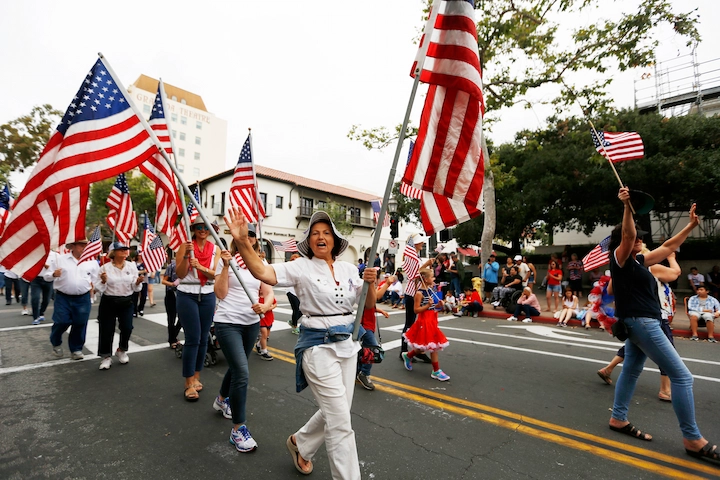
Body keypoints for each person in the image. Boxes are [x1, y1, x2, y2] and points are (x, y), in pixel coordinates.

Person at [226, 207, 377, 478]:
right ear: (309, 241)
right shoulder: (300, 266)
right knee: (341, 422)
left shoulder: (349, 268)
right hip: (317, 346)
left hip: (348, 346)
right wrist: (241, 242)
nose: (321, 237)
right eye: (315, 233)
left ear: (335, 239)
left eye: (326, 232)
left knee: (338, 411)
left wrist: (372, 284)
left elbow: (368, 303)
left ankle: (301, 443)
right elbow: (263, 271)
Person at [607, 186, 719, 466]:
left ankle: (618, 419)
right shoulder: (620, 260)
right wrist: (626, 206)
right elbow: (629, 234)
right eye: (637, 241)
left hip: (640, 323)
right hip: (643, 322)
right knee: (682, 377)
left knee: (631, 371)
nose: (640, 243)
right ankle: (693, 439)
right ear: (623, 241)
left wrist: (690, 225)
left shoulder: (640, 261)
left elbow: (668, 247)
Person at [213, 227, 275, 453]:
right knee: (241, 371)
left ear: (255, 240)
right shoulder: (225, 259)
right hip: (227, 321)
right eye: (243, 234)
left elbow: (269, 293)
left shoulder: (261, 264)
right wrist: (226, 266)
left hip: (251, 324)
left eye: (250, 234)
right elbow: (219, 293)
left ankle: (221, 399)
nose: (247, 237)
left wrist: (265, 305)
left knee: (236, 366)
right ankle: (238, 429)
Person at [597, 250, 681, 402]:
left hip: (635, 317)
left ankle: (608, 370)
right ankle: (665, 389)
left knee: (635, 350)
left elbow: (610, 290)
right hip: (653, 316)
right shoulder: (649, 268)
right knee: (670, 357)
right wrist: (671, 257)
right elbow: (675, 273)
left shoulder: (624, 269)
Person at [176, 217, 221, 402]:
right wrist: (187, 255)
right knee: (192, 338)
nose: (203, 230)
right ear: (193, 229)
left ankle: (196, 376)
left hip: (208, 294)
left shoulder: (215, 249)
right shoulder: (184, 246)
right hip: (187, 294)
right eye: (199, 227)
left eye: (206, 227)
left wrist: (200, 266)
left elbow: (215, 274)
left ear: (211, 230)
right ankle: (188, 382)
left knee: (204, 339)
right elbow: (179, 273)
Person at [44, 238, 99, 360]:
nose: (84, 247)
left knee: (80, 323)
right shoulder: (60, 260)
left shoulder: (92, 262)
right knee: (62, 321)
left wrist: (96, 288)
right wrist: (53, 275)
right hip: (63, 297)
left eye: (86, 245)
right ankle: (56, 341)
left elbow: (96, 279)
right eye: (81, 245)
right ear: (72, 247)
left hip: (83, 297)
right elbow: (46, 276)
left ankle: (76, 349)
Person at [96, 243, 143, 370]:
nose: (125, 252)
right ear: (113, 252)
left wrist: (138, 282)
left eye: (125, 249)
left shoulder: (131, 266)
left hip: (126, 300)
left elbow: (134, 286)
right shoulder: (105, 268)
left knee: (127, 327)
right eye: (121, 250)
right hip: (109, 300)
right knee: (106, 329)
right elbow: (98, 288)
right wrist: (103, 281)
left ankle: (122, 349)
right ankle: (106, 356)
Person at [402, 268, 450, 381]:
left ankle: (408, 355)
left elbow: (433, 307)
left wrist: (439, 305)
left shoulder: (431, 290)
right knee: (433, 347)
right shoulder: (419, 293)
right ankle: (436, 370)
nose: (434, 279)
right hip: (424, 322)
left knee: (424, 347)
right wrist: (428, 306)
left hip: (432, 320)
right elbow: (416, 310)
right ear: (425, 279)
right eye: (432, 277)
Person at [400, 233, 433, 363]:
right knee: (409, 323)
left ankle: (417, 350)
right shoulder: (412, 257)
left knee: (418, 324)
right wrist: (426, 264)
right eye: (421, 242)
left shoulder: (416, 257)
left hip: (418, 292)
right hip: (412, 293)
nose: (423, 244)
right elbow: (415, 274)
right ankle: (404, 351)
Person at [357, 279, 390, 391]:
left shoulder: (368, 290)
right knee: (372, 350)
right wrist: (388, 284)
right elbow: (376, 297)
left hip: (368, 326)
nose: (375, 283)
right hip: (365, 326)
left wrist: (381, 311)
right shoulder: (365, 290)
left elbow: (372, 305)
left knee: (364, 349)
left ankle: (358, 370)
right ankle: (364, 373)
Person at [30, 251, 56, 325]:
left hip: (49, 279)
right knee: (35, 298)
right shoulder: (35, 253)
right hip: (36, 279)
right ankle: (35, 317)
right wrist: (42, 264)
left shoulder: (55, 255)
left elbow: (58, 266)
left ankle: (41, 312)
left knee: (46, 299)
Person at [162, 258, 182, 349]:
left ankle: (173, 336)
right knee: (171, 318)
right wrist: (173, 284)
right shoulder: (172, 266)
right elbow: (163, 281)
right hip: (171, 294)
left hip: (183, 295)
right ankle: (172, 340)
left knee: (183, 318)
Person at [286, 253, 303, 335]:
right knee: (296, 309)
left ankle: (293, 321)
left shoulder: (300, 268)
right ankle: (295, 327)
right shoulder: (290, 267)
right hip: (291, 291)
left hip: (297, 291)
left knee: (302, 309)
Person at [132, 251, 148, 317]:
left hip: (144, 281)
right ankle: (134, 311)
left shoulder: (146, 263)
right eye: (139, 255)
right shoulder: (133, 263)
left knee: (143, 296)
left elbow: (148, 271)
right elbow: (134, 272)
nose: (140, 257)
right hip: (135, 281)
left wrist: (143, 271)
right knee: (135, 297)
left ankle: (141, 309)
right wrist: (142, 271)